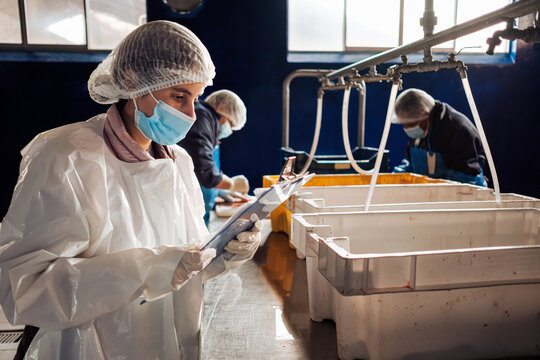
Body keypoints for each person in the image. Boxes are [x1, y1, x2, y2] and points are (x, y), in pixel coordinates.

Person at [0, 20, 263, 360]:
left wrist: (225, 252)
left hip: (170, 342)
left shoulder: (179, 163)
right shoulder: (66, 156)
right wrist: (150, 269)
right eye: (178, 96)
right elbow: (26, 288)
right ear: (132, 82)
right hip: (90, 349)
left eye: (195, 98)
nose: (190, 114)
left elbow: (186, 261)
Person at [179, 89, 249, 225]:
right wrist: (232, 185)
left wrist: (218, 191)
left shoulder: (208, 123)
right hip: (187, 212)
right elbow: (205, 171)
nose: (228, 130)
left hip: (199, 209)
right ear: (222, 109)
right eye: (231, 124)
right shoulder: (203, 119)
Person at [392, 88, 488, 186]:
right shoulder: (421, 129)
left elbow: (464, 178)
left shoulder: (457, 128)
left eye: (409, 123)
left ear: (423, 113)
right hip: (429, 192)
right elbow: (410, 164)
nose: (406, 128)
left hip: (461, 193)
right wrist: (395, 177)